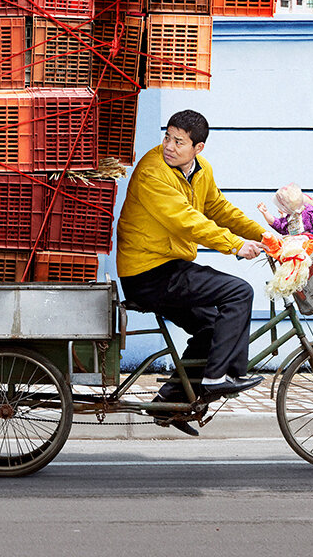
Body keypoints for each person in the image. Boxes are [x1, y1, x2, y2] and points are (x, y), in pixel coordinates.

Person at [115, 109, 271, 413]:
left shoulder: (202, 171)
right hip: (148, 273)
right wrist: (236, 245)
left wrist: (264, 236)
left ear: (197, 148)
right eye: (167, 137)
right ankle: (218, 377)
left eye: (179, 142)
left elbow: (220, 210)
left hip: (170, 267)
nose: (169, 146)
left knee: (215, 327)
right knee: (239, 292)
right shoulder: (152, 170)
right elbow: (187, 222)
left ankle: (169, 402)